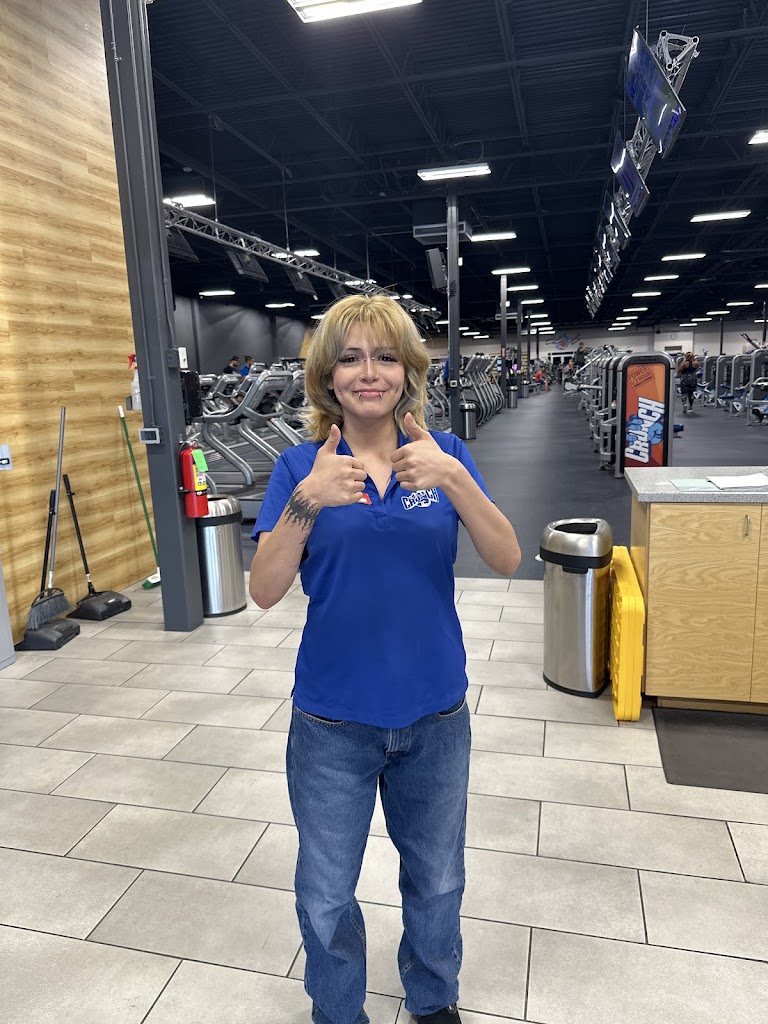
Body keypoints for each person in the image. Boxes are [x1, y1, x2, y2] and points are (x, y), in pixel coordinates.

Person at [249, 295, 521, 1024]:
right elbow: (264, 591)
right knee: (326, 891)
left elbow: (506, 557)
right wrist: (307, 501)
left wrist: (454, 478)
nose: (368, 372)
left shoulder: (444, 455)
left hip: (435, 716)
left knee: (437, 878)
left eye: (385, 357)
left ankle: (433, 998)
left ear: (407, 372)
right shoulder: (299, 467)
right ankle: (338, 1011)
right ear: (327, 377)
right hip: (331, 723)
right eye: (350, 358)